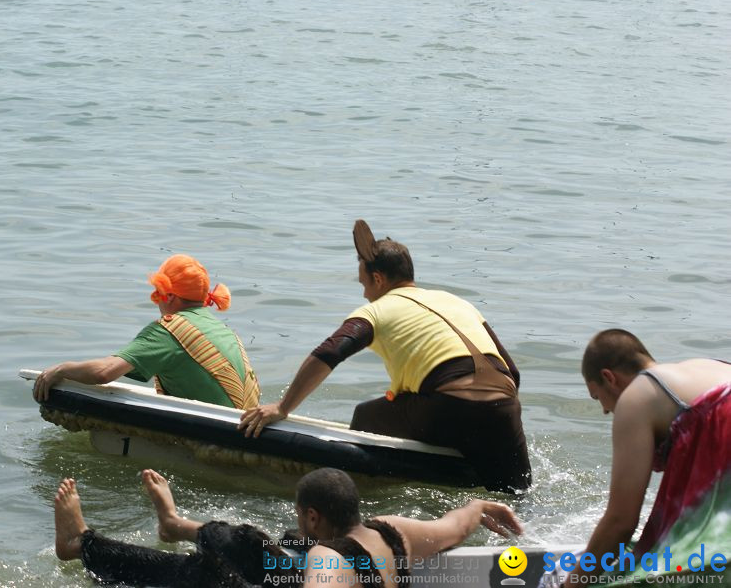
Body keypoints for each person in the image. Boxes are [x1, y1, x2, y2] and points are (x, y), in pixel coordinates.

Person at [238, 220, 530, 492]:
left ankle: (355, 495)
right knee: (516, 493)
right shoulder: (457, 302)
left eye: (364, 284)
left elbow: (327, 353)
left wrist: (283, 408)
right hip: (504, 408)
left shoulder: (375, 312)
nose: (364, 293)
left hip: (445, 407)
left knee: (365, 415)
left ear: (378, 279)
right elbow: (512, 373)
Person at [53, 467, 523, 588]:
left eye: (301, 514)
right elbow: (454, 527)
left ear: (314, 514)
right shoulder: (392, 531)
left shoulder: (325, 562)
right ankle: (176, 525)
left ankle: (80, 545)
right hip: (286, 573)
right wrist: (481, 504)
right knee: (263, 550)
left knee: (201, 572)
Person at [564, 329, 731, 587]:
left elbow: (621, 521)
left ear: (609, 378)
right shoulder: (708, 367)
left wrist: (572, 584)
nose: (606, 411)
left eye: (598, 398)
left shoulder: (638, 395)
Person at [33, 254, 259, 410]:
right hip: (243, 420)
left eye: (157, 292)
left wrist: (60, 370)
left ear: (169, 296)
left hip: (221, 430)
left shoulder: (168, 331)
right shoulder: (223, 329)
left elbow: (104, 372)